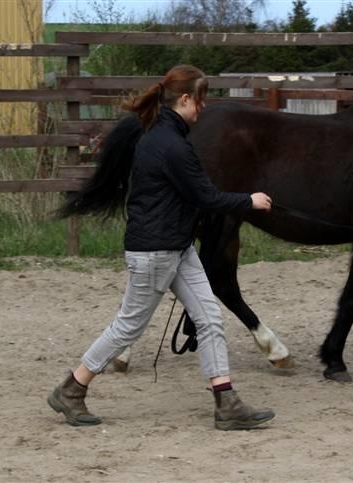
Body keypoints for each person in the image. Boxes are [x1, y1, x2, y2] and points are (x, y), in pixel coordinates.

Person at [48, 65, 275, 431]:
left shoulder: (162, 135)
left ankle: (227, 402)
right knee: (128, 328)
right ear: (184, 99)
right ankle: (72, 389)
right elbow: (206, 196)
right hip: (155, 251)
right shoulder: (171, 144)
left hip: (176, 247)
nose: (202, 109)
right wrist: (250, 201)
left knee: (209, 318)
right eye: (199, 101)